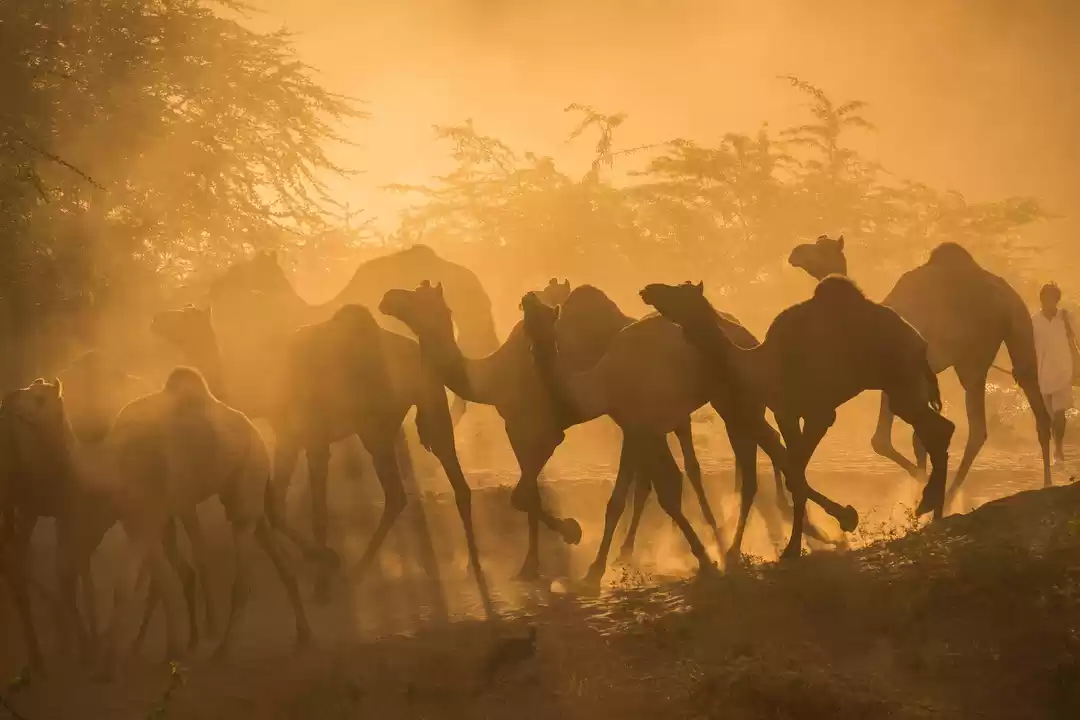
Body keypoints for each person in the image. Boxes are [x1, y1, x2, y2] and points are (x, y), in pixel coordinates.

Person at [1032, 282, 1078, 464]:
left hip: (1063, 372)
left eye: (1052, 299)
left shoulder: (1067, 317)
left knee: (1059, 412)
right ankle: (1053, 448)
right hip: (1042, 373)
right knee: (1048, 415)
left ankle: (1058, 449)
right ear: (1041, 299)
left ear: (1057, 300)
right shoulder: (1034, 320)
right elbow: (1028, 347)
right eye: (1045, 298)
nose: (1048, 302)